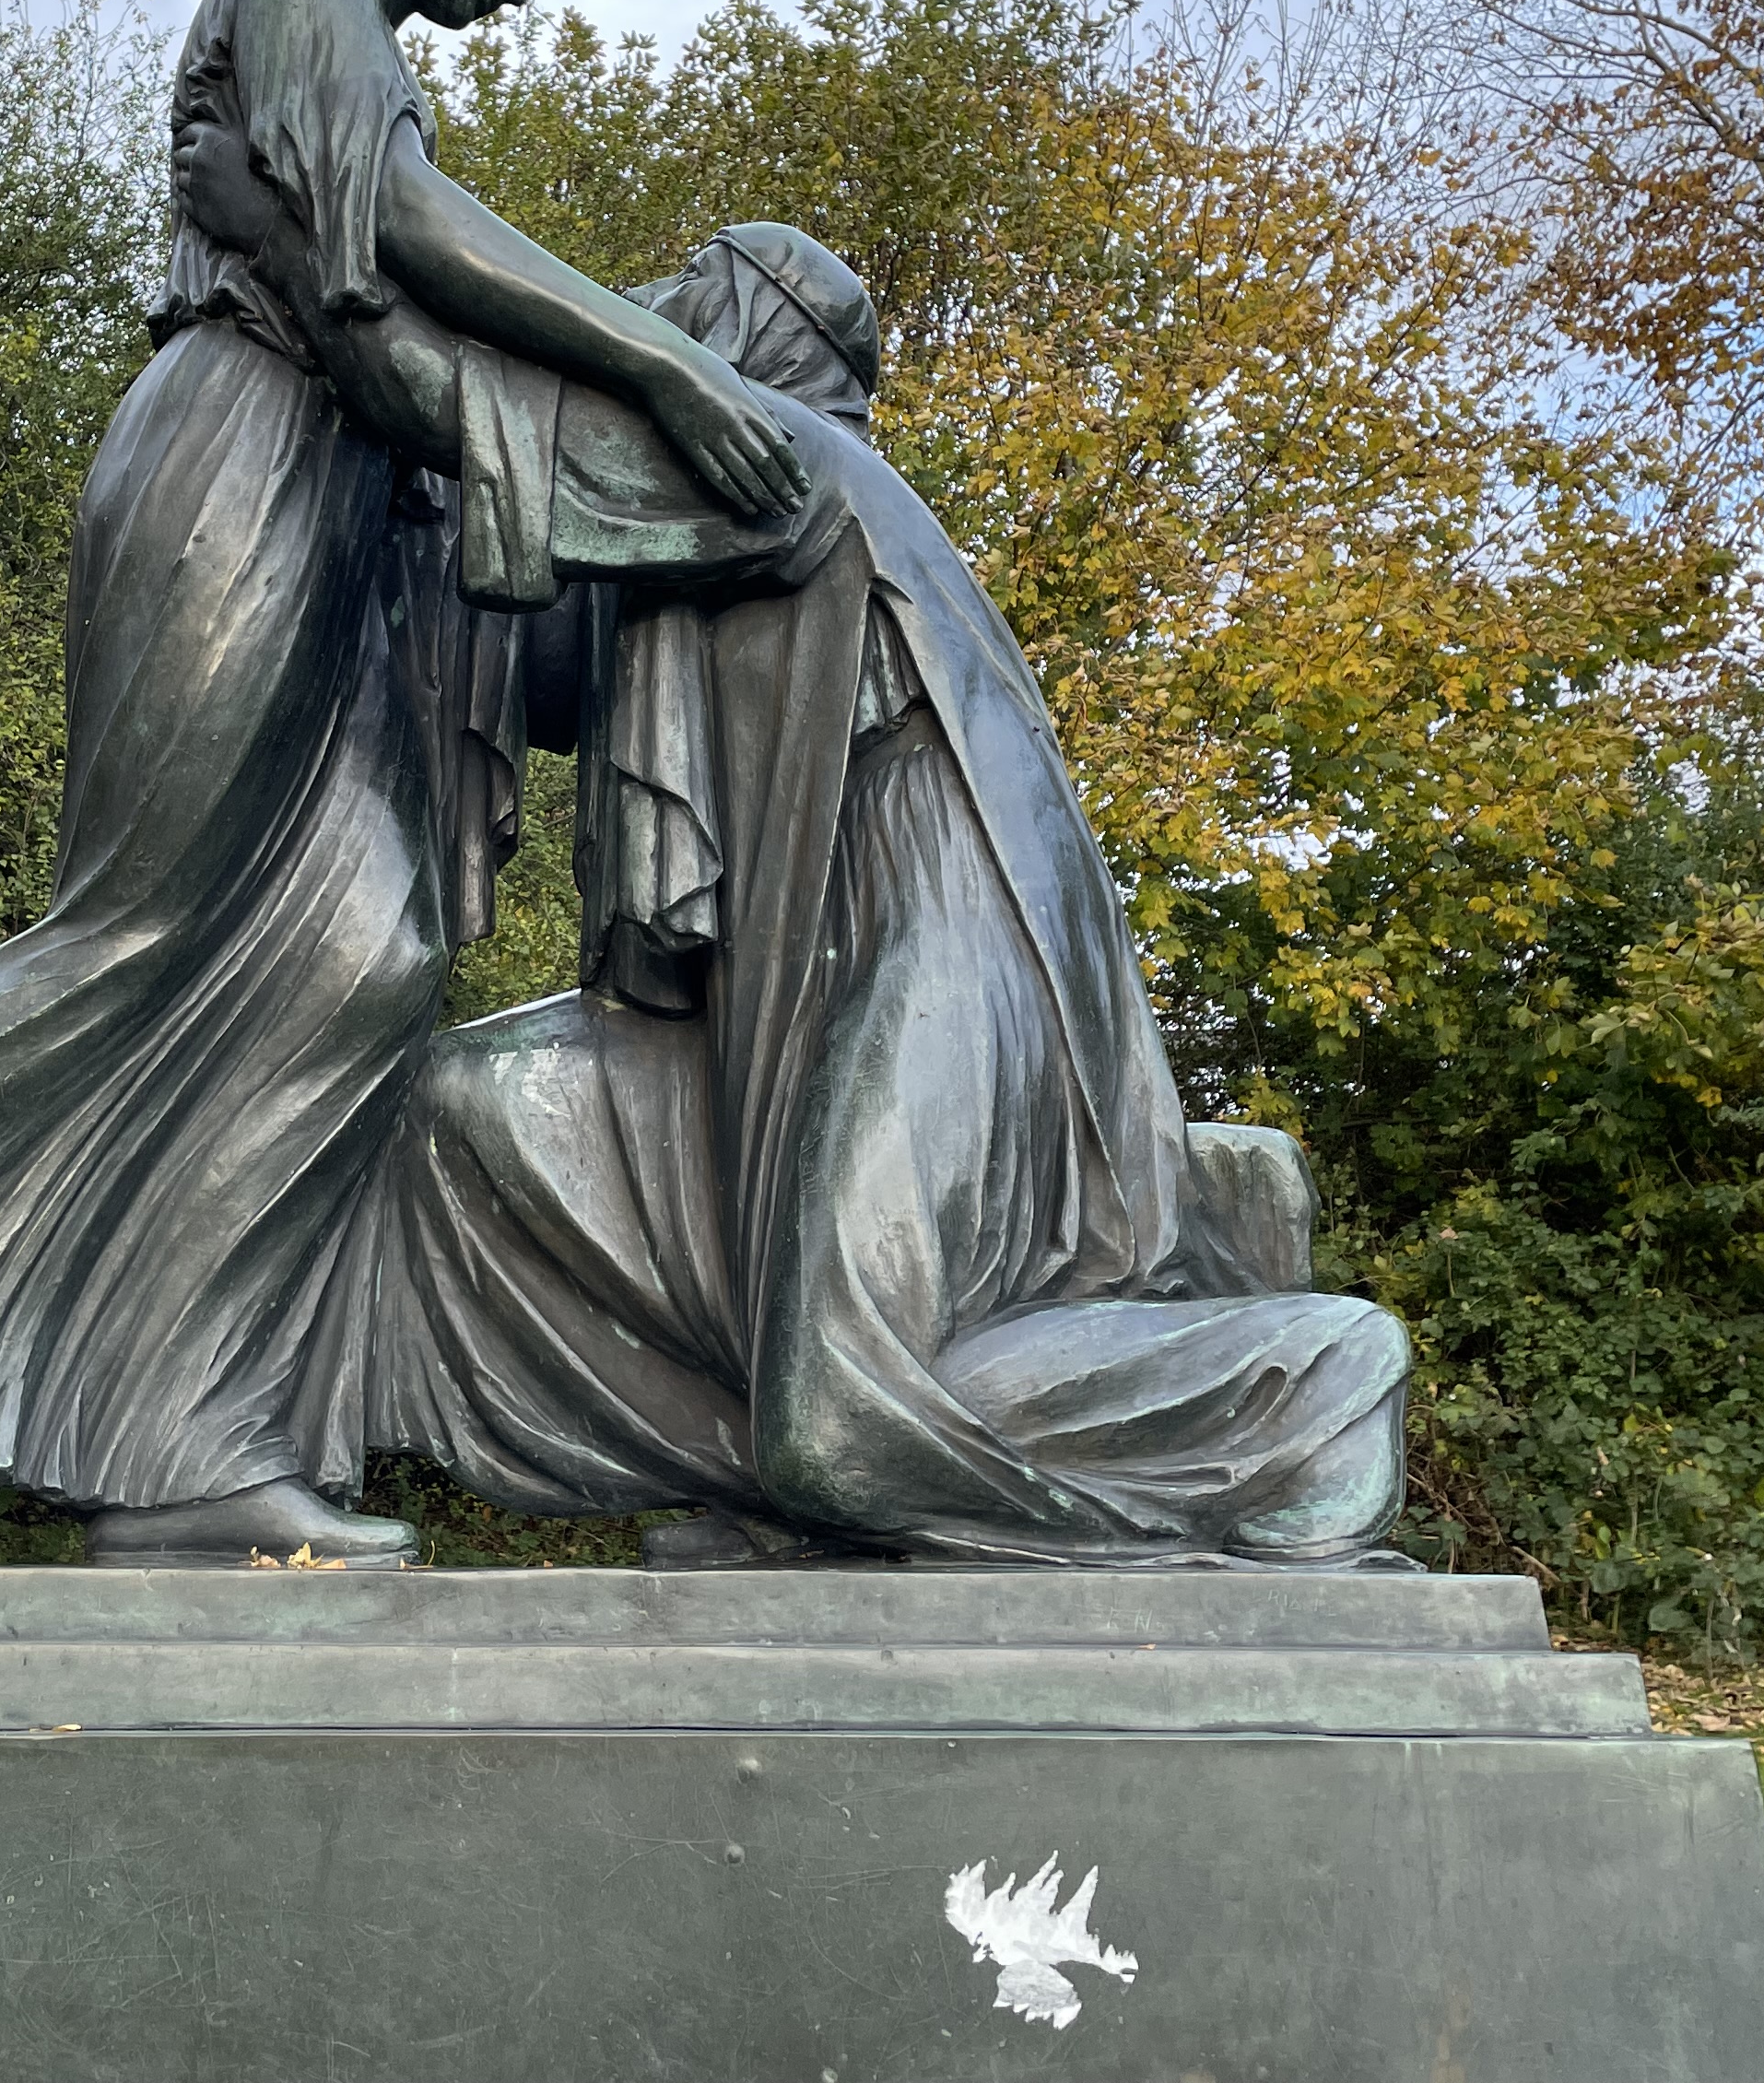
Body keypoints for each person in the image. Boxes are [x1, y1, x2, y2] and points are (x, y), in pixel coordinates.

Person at [0, 0, 839, 1567]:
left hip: (348, 515)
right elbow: (386, 223)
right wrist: (671, 372)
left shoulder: (375, 61)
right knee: (139, 927)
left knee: (360, 951)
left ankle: (187, 1437)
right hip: (232, 463)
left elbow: (389, 317)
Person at [354, 226, 1415, 1566]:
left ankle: (1310, 1383)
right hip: (797, 968)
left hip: (952, 939)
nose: (653, 308)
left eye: (690, 285)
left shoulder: (792, 459)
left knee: (841, 1422)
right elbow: (526, 629)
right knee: (452, 1116)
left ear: (754, 321)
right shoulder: (706, 516)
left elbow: (480, 422)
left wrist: (336, 284)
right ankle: (778, 1456)